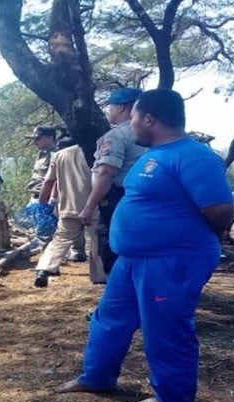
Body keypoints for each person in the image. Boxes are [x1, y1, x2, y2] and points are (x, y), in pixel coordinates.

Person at [57, 88, 234, 402]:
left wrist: (198, 236)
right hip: (133, 259)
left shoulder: (194, 156)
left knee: (165, 327)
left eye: (135, 116)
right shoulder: (152, 155)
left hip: (172, 259)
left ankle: (173, 397)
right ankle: (97, 377)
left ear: (149, 119)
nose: (131, 123)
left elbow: (222, 209)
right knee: (108, 319)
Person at [78, 87, 146, 282]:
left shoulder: (117, 136)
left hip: (118, 200)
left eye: (111, 106)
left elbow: (106, 173)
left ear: (122, 107)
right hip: (143, 200)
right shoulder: (153, 134)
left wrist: (89, 206)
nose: (109, 111)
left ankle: (120, 292)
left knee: (113, 245)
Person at [33, 140, 103, 287]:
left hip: (68, 206)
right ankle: (99, 276)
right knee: (94, 241)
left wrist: (42, 204)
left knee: (60, 239)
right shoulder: (95, 150)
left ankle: (44, 269)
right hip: (94, 205)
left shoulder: (58, 155)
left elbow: (48, 182)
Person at [26, 127, 86, 262]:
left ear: (49, 138)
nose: (35, 142)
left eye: (37, 138)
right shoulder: (41, 154)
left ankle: (49, 260)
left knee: (51, 228)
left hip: (49, 196)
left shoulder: (56, 153)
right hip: (38, 193)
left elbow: (55, 179)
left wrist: (50, 199)